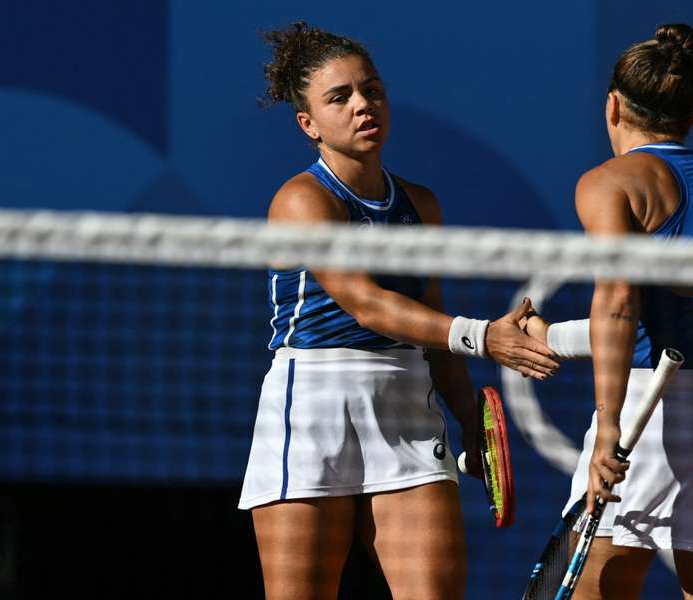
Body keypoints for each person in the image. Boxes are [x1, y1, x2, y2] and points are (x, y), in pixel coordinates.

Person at [237, 22, 559, 600]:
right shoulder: (302, 199)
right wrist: (483, 337)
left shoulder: (420, 204)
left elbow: (430, 317)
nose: (364, 105)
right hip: (313, 408)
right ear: (307, 124)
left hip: (408, 408)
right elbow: (363, 302)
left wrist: (469, 420)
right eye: (340, 97)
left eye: (373, 90)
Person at [525, 23, 693, 600]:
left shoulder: (608, 184)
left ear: (612, 105)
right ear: (689, 119)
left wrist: (608, 430)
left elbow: (619, 303)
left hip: (647, 410)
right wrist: (554, 337)